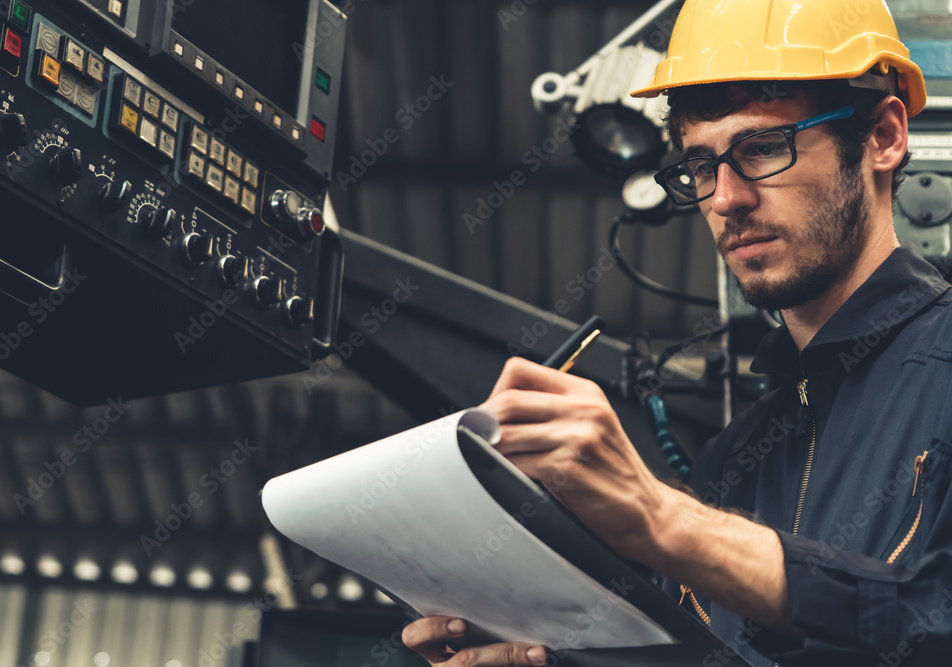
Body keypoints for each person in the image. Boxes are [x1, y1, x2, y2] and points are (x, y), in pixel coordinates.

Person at [402, 0, 952, 665]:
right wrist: (538, 649)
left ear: (884, 137)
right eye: (700, 166)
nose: (724, 199)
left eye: (761, 148)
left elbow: (927, 623)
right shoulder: (733, 463)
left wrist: (667, 521)